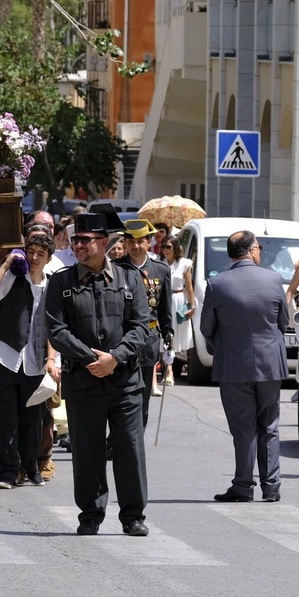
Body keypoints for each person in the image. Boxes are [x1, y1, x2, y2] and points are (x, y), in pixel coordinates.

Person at [45, 211, 151, 536]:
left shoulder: (130, 279)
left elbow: (141, 327)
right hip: (83, 380)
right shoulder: (61, 282)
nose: (78, 245)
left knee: (129, 449)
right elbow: (56, 329)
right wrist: (93, 358)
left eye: (85, 240)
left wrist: (115, 359)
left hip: (125, 382)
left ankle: (133, 516)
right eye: (75, 240)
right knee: (87, 452)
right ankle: (90, 515)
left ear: (103, 243)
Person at [202, 230, 290, 504]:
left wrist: (226, 343)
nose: (261, 251)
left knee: (243, 429)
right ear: (252, 249)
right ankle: (271, 486)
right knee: (269, 426)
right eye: (260, 247)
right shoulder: (274, 279)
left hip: (233, 366)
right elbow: (284, 322)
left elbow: (206, 328)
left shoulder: (217, 284)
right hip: (270, 365)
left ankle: (243, 485)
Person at [0, 233, 56, 489]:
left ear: (48, 259)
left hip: (35, 360)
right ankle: (9, 471)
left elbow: (54, 327)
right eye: (30, 251)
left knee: (33, 418)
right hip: (5, 355)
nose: (33, 257)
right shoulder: (13, 277)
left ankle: (30, 465)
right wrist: (5, 263)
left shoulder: (51, 285)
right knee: (5, 416)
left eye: (40, 254)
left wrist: (52, 359)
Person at [114, 220, 173, 406]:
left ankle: (139, 433)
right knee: (121, 396)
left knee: (143, 396)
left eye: (140, 241)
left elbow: (165, 308)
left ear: (149, 242)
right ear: (124, 243)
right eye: (130, 242)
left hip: (149, 338)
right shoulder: (115, 268)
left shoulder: (160, 270)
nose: (136, 246)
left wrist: (168, 334)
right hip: (121, 338)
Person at [161, 233, 194, 384]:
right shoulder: (158, 262)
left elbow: (189, 285)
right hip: (163, 301)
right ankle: (168, 370)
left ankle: (171, 369)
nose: (165, 250)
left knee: (174, 335)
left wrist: (192, 305)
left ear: (175, 248)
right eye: (163, 247)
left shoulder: (184, 263)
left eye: (168, 247)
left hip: (178, 299)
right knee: (165, 335)